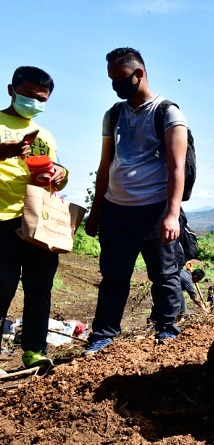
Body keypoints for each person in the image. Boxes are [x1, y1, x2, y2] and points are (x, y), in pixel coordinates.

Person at [83, 47, 189, 355]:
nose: (115, 84)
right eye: (111, 78)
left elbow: (176, 166)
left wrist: (171, 215)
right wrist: (96, 211)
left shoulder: (167, 112)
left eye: (119, 76)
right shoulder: (113, 115)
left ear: (138, 73)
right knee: (113, 277)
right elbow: (105, 165)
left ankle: (167, 329)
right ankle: (103, 335)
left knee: (164, 274)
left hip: (154, 209)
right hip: (116, 210)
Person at [0, 66, 68, 374]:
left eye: (41, 99)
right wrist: (10, 150)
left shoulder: (46, 135)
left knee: (40, 288)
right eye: (28, 96)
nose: (34, 103)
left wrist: (60, 174)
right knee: (1, 287)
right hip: (3, 220)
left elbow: (53, 176)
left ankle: (34, 352)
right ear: (11, 90)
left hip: (38, 220)